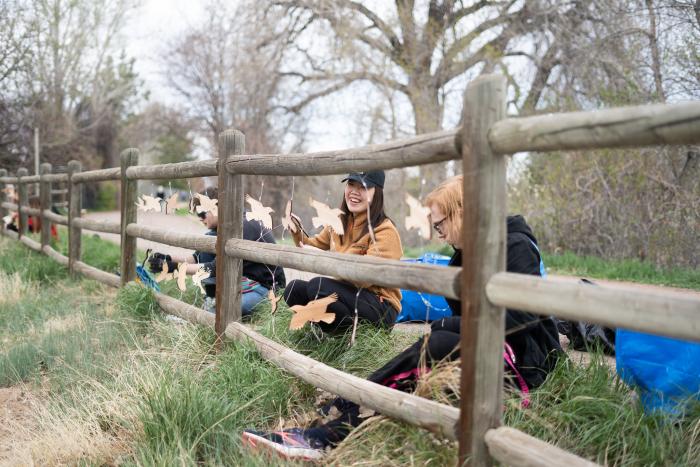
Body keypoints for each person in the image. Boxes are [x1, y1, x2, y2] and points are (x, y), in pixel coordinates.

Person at [242, 176, 562, 460]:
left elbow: (520, 318)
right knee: (432, 342)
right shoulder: (464, 252)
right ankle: (344, 409)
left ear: (462, 212)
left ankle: (330, 432)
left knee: (436, 342)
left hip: (525, 357)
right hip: (488, 344)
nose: (440, 234)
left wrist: (451, 325)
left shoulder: (515, 245)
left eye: (440, 225)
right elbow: (470, 316)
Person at [284, 170, 403, 334]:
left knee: (318, 287)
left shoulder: (385, 231)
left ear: (377, 193)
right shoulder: (338, 222)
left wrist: (326, 260)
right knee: (294, 289)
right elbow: (313, 245)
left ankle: (356, 338)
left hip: (379, 305)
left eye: (363, 187)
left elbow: (365, 278)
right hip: (347, 295)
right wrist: (297, 231)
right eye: (351, 184)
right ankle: (335, 339)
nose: (354, 191)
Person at [148, 187, 286, 316]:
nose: (200, 218)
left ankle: (210, 311)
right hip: (241, 282)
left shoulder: (245, 224)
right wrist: (168, 258)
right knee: (208, 244)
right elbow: (197, 258)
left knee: (221, 312)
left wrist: (176, 268)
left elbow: (215, 268)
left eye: (202, 213)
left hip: (264, 288)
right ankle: (212, 299)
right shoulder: (224, 226)